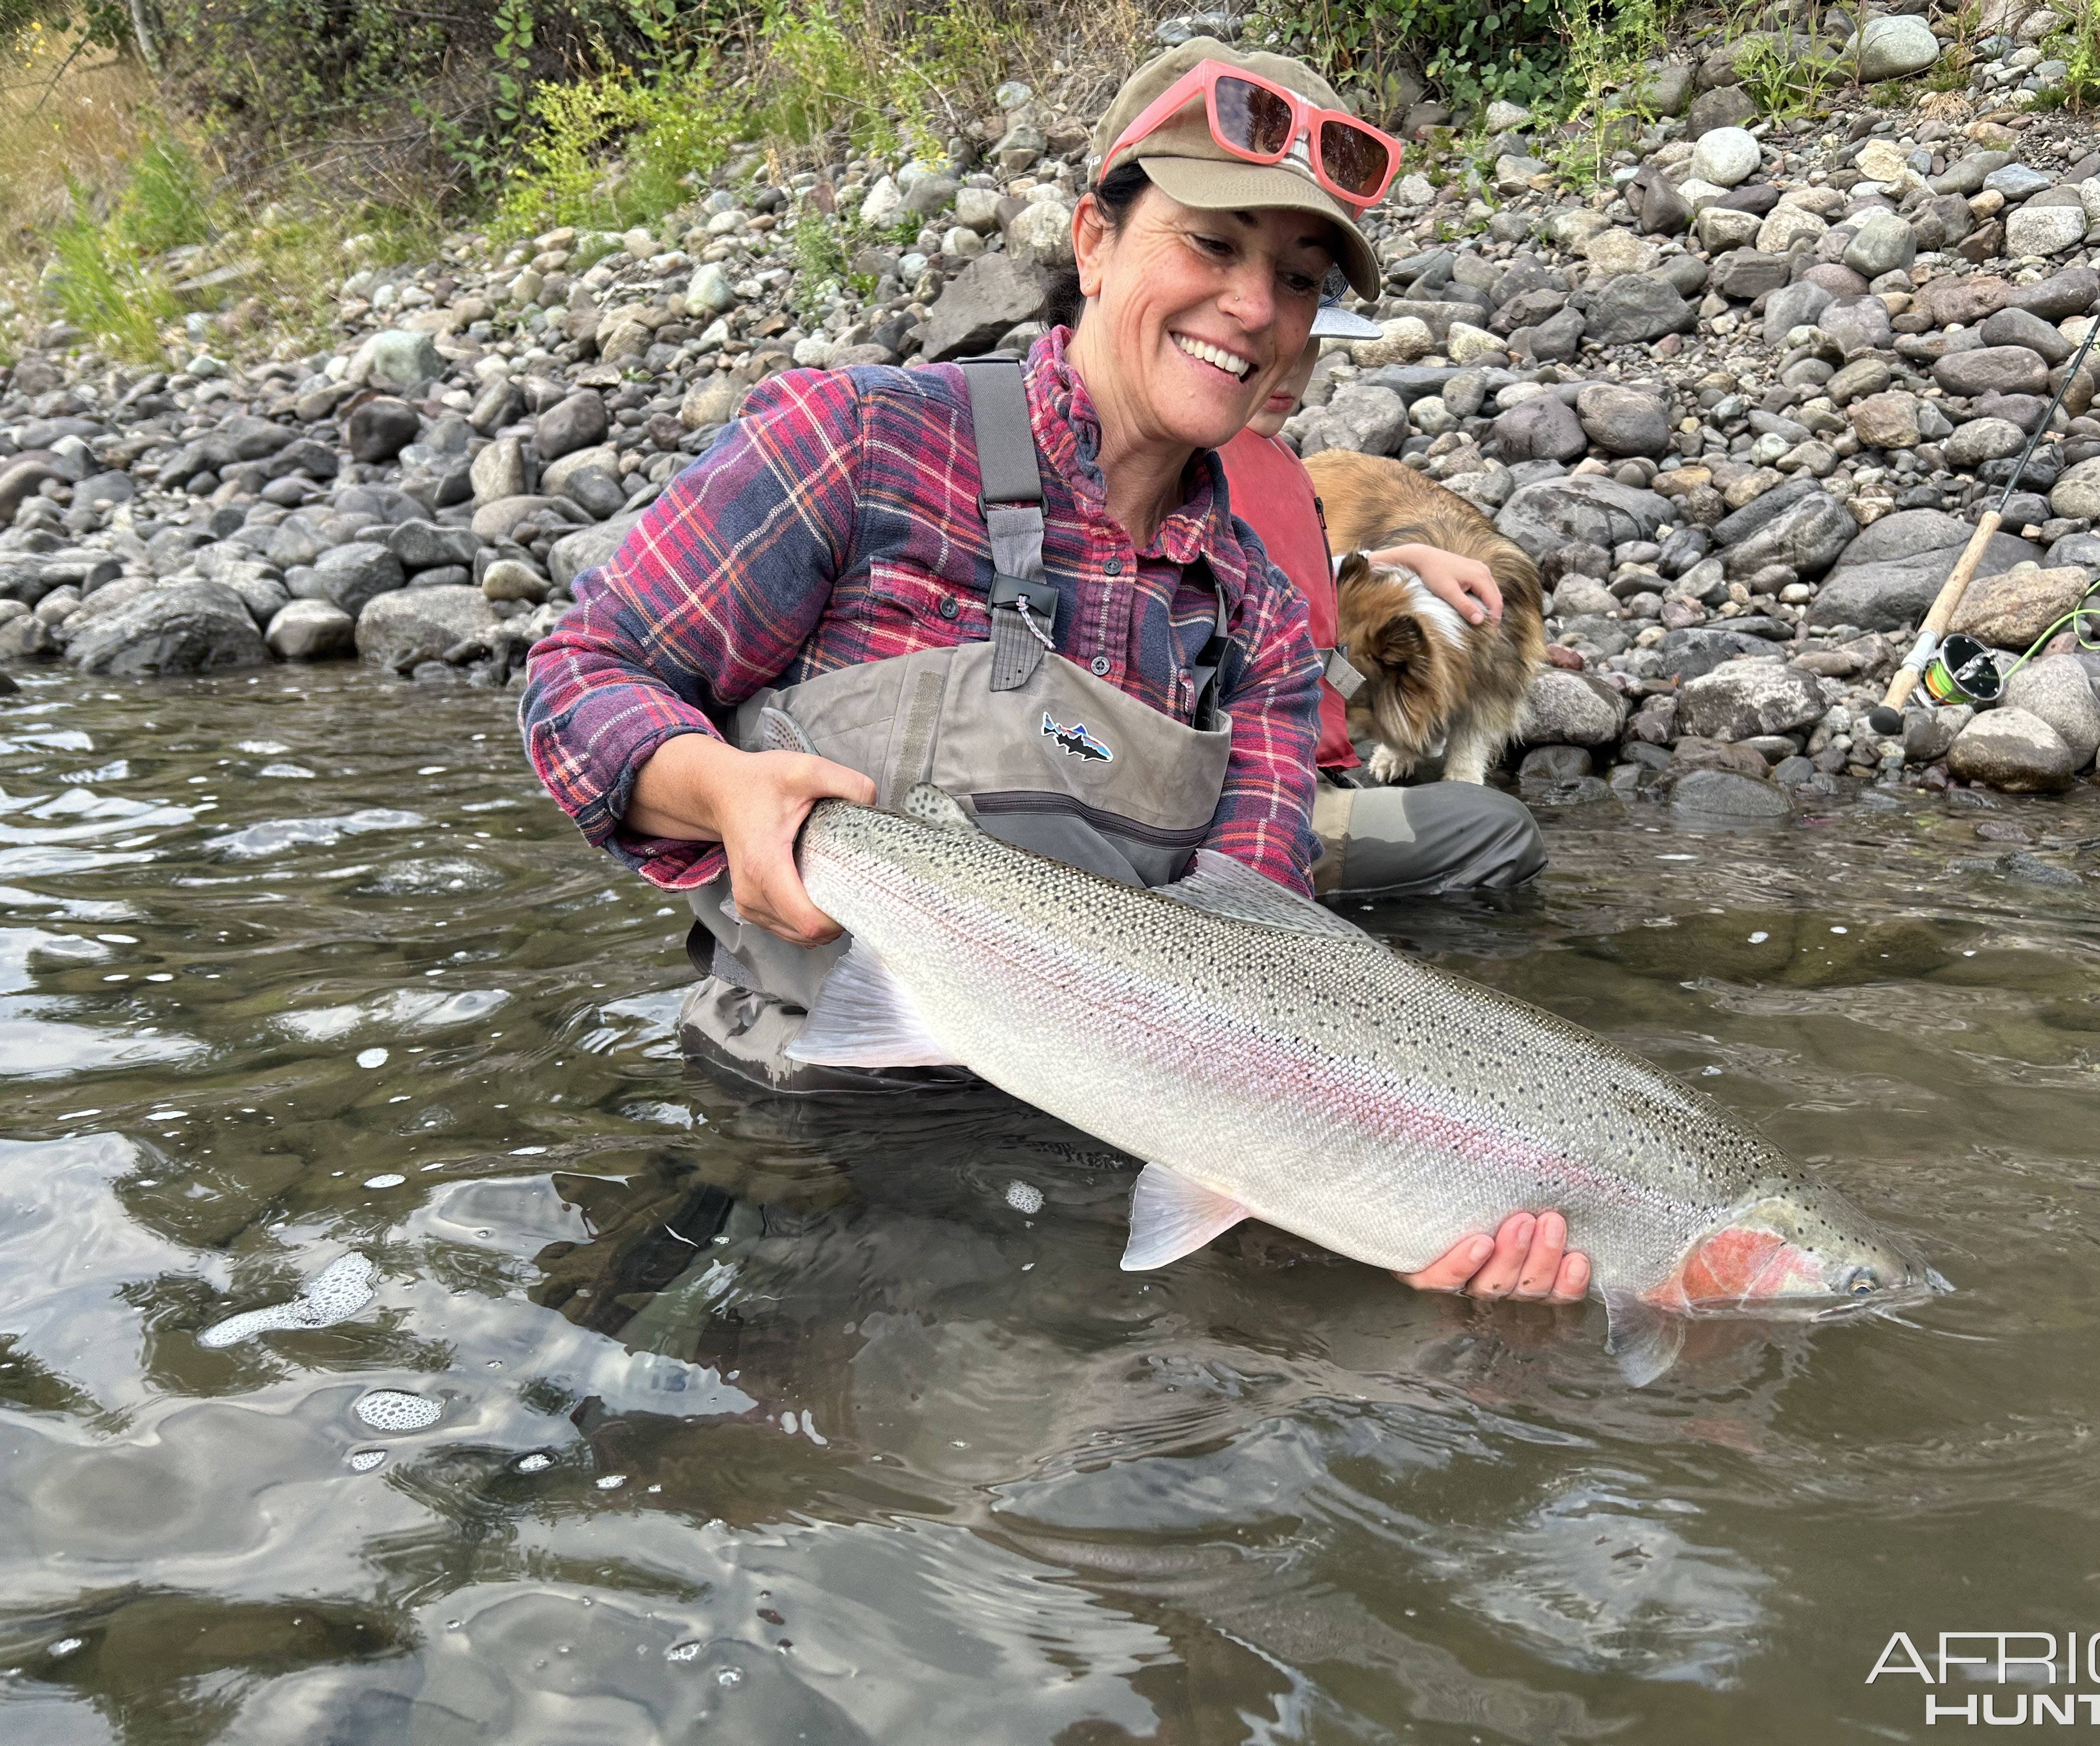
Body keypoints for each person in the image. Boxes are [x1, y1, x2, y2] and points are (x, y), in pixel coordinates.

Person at [521, 36, 1587, 1305]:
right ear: (1093, 241)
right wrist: (719, 790)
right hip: (793, 1111)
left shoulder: (1253, 614)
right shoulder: (858, 440)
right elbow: (579, 678)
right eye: (1212, 245)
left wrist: (1399, 1199)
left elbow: (1259, 963)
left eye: (1298, 278)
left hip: (1087, 1130)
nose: (1255, 307)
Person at [1220, 296, 1548, 900]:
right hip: (1228, 809)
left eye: (1309, 345)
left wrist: (1405, 559)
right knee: (1499, 832)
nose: (1294, 370)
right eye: (1271, 344)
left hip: (1272, 775)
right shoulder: (1201, 464)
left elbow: (1280, 576)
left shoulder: (1276, 463)